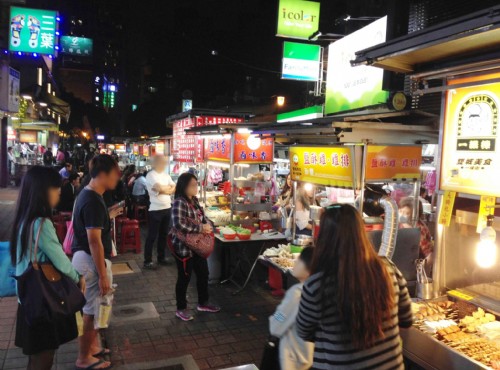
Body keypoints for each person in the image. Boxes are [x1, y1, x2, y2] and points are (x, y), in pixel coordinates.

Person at [296, 204, 413, 369]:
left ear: (324, 237)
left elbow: (303, 332)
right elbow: (407, 319)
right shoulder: (389, 269)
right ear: (361, 233)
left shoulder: (317, 285)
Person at [9, 166, 85, 370]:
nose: (59, 192)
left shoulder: (23, 220)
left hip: (27, 298)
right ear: (42, 191)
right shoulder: (41, 224)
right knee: (44, 357)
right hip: (42, 299)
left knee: (35, 357)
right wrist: (79, 278)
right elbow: (61, 261)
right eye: (55, 188)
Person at [72, 155, 122, 370]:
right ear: (102, 175)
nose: (118, 179)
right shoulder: (92, 200)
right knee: (90, 312)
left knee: (90, 310)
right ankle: (84, 358)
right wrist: (102, 275)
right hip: (90, 262)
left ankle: (92, 349)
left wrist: (107, 214)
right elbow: (94, 241)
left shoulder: (89, 194)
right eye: (115, 174)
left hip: (85, 259)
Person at [171, 173, 220, 321]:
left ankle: (203, 302)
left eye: (196, 184)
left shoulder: (195, 201)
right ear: (184, 186)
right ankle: (181, 308)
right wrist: (200, 228)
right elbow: (178, 224)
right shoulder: (180, 202)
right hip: (184, 248)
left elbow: (203, 218)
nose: (196, 187)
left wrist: (209, 225)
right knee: (184, 278)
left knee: (203, 274)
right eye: (193, 185)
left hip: (198, 247)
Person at [269, 247, 314, 370]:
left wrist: (275, 316)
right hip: (307, 357)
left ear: (308, 269)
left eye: (299, 260)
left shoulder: (296, 293)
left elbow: (277, 323)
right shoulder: (317, 291)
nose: (295, 262)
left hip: (292, 359)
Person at [144, 155, 176, 269]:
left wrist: (166, 189)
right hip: (155, 209)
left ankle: (161, 258)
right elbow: (159, 188)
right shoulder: (150, 175)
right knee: (152, 236)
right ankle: (147, 261)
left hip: (167, 208)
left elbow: (174, 187)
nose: (164, 164)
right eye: (162, 162)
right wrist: (167, 189)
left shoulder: (166, 175)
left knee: (163, 235)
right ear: (156, 163)